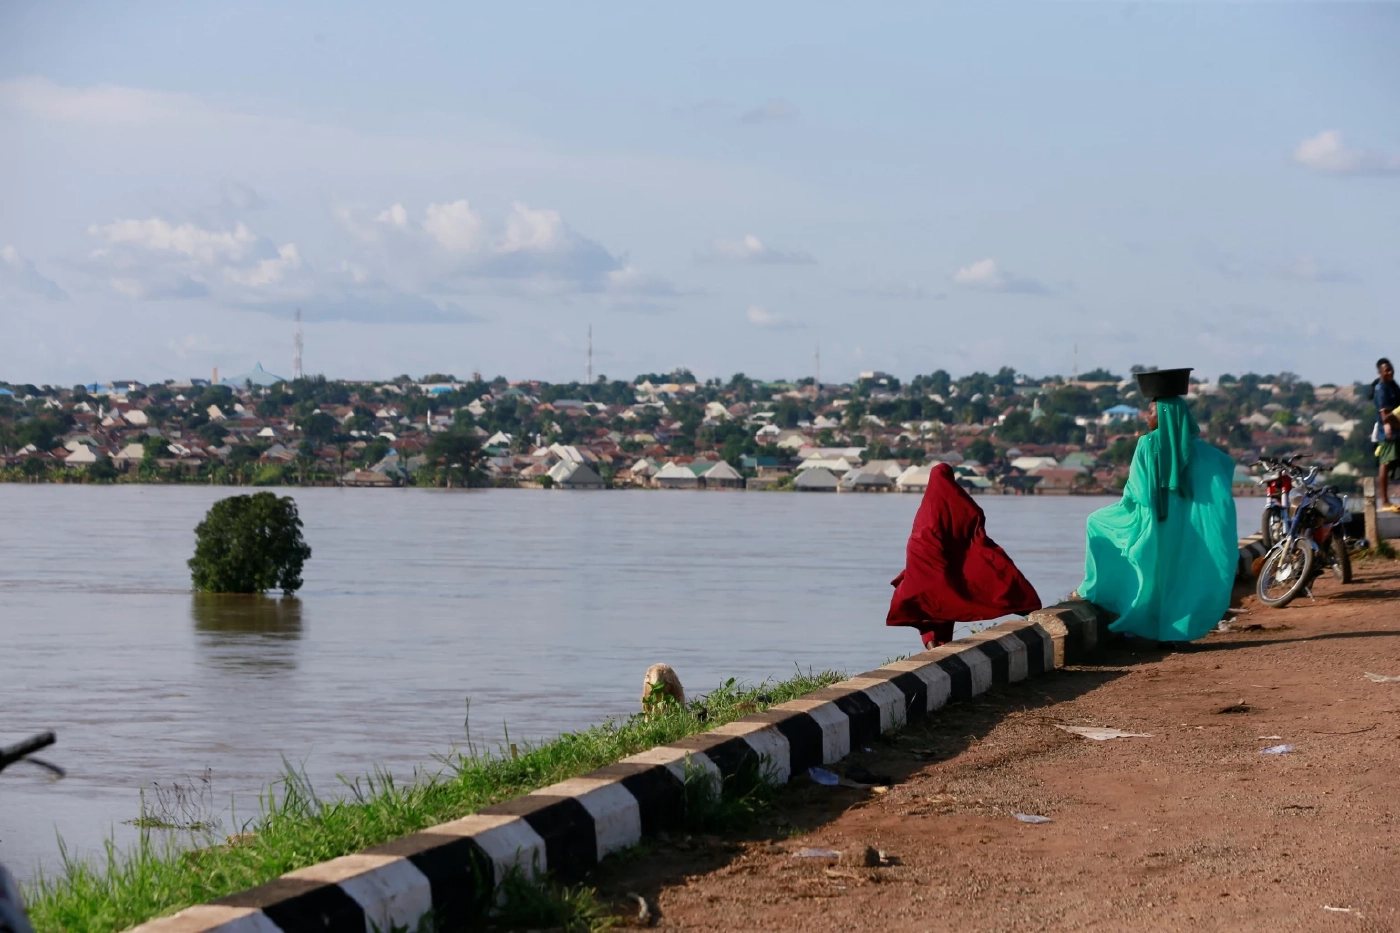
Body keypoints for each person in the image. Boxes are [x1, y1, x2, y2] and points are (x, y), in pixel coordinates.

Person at [1079, 369, 1237, 644]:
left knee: (1097, 522)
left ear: (1163, 414)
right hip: (1190, 528)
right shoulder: (1202, 451)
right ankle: (1176, 630)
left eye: (1151, 411)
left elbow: (1136, 493)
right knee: (1180, 573)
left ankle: (1127, 613)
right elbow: (1225, 468)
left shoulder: (1148, 444)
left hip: (1153, 520)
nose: (1147, 416)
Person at [887, 462, 1041, 648]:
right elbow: (975, 520)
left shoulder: (926, 507)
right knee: (946, 598)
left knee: (930, 605)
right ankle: (1023, 606)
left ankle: (933, 647)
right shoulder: (959, 500)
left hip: (924, 562)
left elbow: (921, 537)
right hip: (945, 559)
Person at [1371, 358, 1400, 510]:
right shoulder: (1382, 389)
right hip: (1388, 433)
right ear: (1380, 372)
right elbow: (1385, 416)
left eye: (1391, 369)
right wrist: (1391, 427)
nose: (1390, 372)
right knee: (1386, 463)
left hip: (1397, 431)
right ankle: (1384, 501)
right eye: (1386, 370)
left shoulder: (1393, 386)